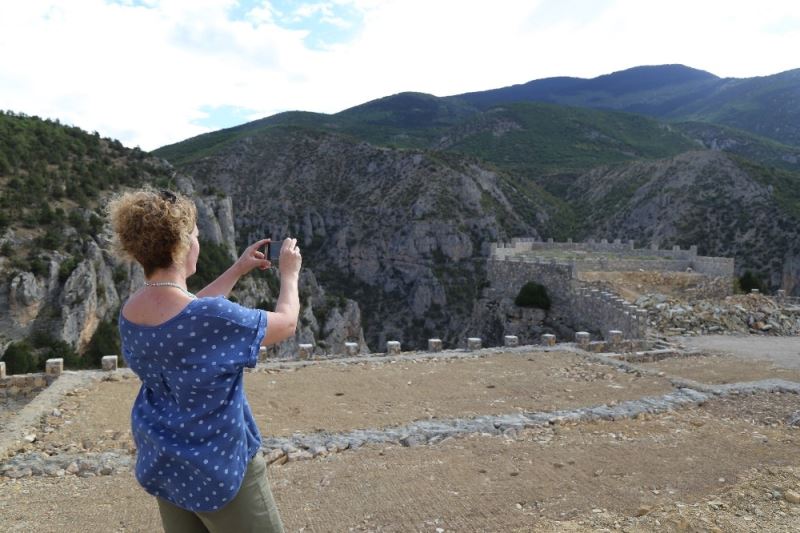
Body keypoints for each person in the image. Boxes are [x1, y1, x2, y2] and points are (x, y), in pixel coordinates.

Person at [108, 187, 300, 532]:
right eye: (195, 235)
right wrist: (290, 273)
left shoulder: (131, 311)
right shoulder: (209, 318)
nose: (198, 241)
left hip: (167, 463)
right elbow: (286, 324)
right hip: (221, 469)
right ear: (181, 245)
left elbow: (187, 315)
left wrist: (238, 269)